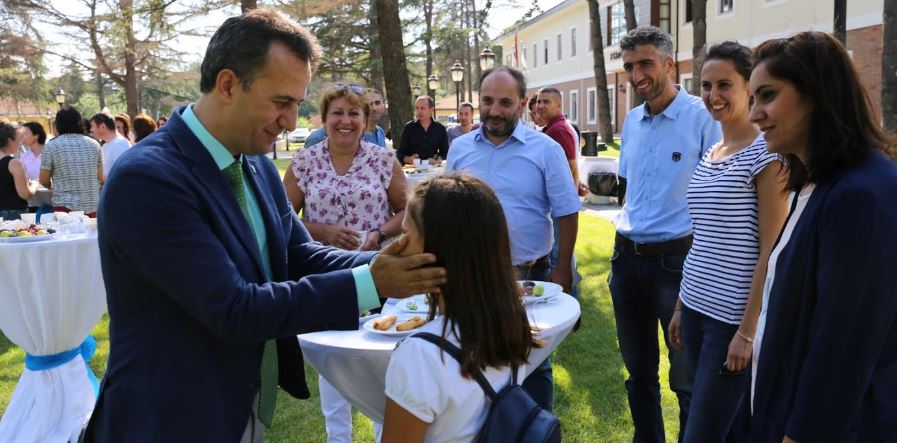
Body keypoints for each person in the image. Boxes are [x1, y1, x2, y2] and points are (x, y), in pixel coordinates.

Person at [82, 9, 446, 442]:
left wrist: (386, 261)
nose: (292, 122)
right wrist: (371, 283)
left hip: (237, 403)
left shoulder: (253, 162)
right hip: (169, 416)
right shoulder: (149, 178)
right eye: (282, 102)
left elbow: (296, 254)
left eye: (297, 103)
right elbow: (233, 308)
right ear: (228, 85)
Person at [748, 31, 897, 443]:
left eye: (767, 95)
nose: (755, 113)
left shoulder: (864, 194)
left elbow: (844, 345)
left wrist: (800, 434)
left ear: (816, 93)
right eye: (753, 100)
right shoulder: (812, 182)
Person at [664, 41, 788, 443]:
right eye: (705, 86)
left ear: (748, 87)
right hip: (697, 309)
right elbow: (702, 239)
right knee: (730, 431)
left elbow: (771, 249)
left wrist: (747, 331)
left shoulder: (766, 155)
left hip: (730, 321)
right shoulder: (713, 152)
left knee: (700, 433)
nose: (712, 96)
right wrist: (682, 304)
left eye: (724, 85)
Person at [609, 25, 721, 441]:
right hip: (626, 261)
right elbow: (629, 190)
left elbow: (718, 198)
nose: (637, 75)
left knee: (686, 378)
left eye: (645, 64)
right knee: (638, 374)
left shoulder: (703, 119)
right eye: (629, 66)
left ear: (670, 64)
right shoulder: (632, 121)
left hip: (679, 266)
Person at [446, 66, 580, 412]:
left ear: (522, 103)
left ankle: (535, 432)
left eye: (505, 102)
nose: (494, 110)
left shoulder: (545, 149)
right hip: (472, 276)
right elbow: (447, 209)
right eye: (487, 101)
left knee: (533, 362)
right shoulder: (459, 149)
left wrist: (562, 269)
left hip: (530, 275)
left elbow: (567, 210)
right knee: (475, 361)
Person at [283, 83, 407, 443]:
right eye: (337, 112)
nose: (345, 120)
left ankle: (389, 433)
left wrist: (379, 234)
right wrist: (321, 230)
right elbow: (281, 219)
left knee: (381, 362)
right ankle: (339, 439)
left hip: (378, 274)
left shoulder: (383, 160)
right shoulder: (304, 162)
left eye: (354, 113)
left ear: (365, 120)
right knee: (333, 364)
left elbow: (408, 210)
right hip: (326, 278)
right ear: (324, 119)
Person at [382, 174, 539, 443]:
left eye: (406, 233)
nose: (398, 245)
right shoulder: (509, 322)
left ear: (437, 250)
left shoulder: (421, 355)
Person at [40, 107, 103, 216]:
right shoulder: (94, 144)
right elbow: (100, 177)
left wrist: (53, 186)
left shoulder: (52, 146)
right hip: (92, 205)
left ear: (57, 125)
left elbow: (43, 179)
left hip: (64, 206)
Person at [304, 85, 388, 148]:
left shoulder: (380, 132)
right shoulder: (317, 138)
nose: (373, 108)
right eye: (337, 113)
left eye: (353, 113)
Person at [0, 122, 38, 220]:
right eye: (18, 140)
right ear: (9, 141)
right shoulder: (14, 163)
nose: (20, 144)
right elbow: (25, 194)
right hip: (12, 216)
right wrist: (34, 184)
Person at [397, 96, 448, 165]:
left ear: (431, 110)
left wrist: (437, 160)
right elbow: (400, 153)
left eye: (422, 108)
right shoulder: (408, 128)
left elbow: (445, 153)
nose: (419, 111)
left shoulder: (440, 128)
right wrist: (409, 160)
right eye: (417, 108)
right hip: (412, 171)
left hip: (433, 170)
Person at [89, 113, 132, 180]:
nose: (91, 130)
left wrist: (99, 177)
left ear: (103, 126)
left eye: (93, 126)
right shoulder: (106, 145)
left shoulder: (120, 144)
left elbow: (123, 175)